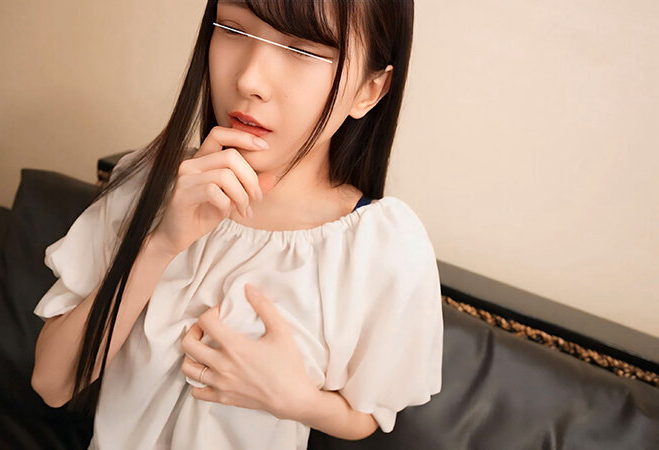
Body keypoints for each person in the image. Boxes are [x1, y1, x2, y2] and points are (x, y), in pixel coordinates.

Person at [31, 1, 443, 449]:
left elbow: (368, 413)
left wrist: (295, 399)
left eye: (303, 50)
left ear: (369, 89)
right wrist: (161, 245)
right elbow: (52, 383)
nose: (249, 80)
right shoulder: (147, 183)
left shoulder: (380, 248)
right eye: (233, 30)